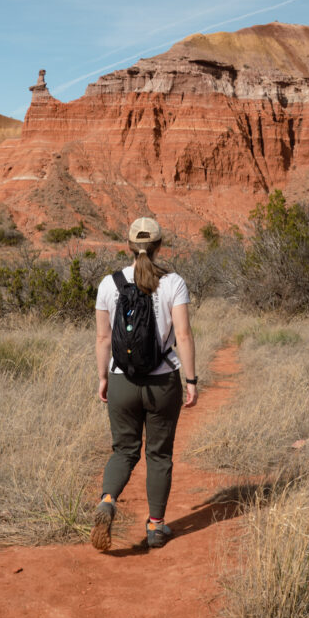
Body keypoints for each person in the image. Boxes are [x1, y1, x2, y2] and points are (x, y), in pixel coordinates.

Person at [91, 216, 198, 552]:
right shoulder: (174, 282)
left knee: (124, 450)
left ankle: (108, 499)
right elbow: (182, 335)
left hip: (122, 380)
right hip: (163, 380)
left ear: (128, 246)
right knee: (159, 453)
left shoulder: (108, 284)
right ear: (159, 246)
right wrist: (192, 379)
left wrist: (103, 378)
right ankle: (155, 527)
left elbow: (103, 338)